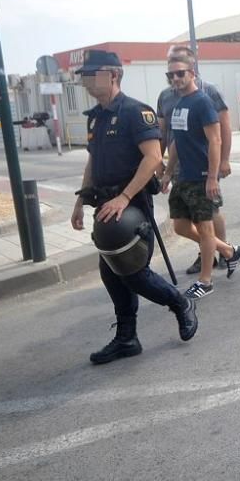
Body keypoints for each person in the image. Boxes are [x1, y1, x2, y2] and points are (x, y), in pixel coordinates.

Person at [70, 50, 197, 365]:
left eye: (92, 74)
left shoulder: (134, 112)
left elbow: (153, 158)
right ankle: (127, 337)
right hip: (105, 207)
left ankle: (180, 303)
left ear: (112, 74)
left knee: (133, 272)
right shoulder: (96, 117)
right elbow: (93, 161)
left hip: (131, 207)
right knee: (111, 273)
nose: (86, 81)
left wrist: (124, 197)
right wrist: (80, 200)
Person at [161, 56, 240, 299]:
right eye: (171, 75)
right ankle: (229, 251)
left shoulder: (202, 102)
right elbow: (175, 142)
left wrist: (212, 178)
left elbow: (215, 140)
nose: (175, 78)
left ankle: (205, 281)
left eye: (180, 73)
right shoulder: (177, 103)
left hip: (201, 176)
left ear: (192, 73)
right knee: (180, 226)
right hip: (182, 176)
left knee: (206, 230)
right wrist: (167, 172)